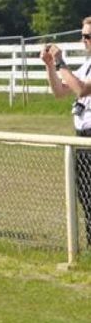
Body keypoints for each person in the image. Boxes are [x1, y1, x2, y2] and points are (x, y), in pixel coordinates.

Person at [42, 20, 91, 244]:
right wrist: (50, 66)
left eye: (88, 36)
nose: (84, 40)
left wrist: (61, 61)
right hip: (82, 137)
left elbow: (80, 90)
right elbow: (60, 92)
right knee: (85, 196)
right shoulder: (87, 64)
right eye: (83, 35)